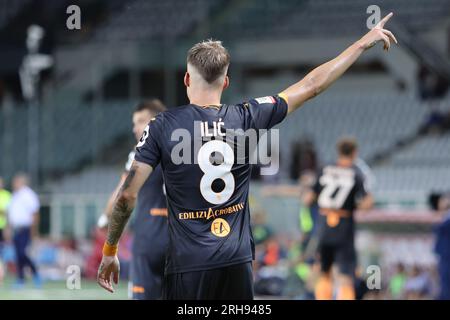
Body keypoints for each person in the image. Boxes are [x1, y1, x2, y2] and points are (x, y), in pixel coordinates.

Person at [97, 13, 396, 299]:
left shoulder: (161, 125)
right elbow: (312, 85)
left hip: (188, 264)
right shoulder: (248, 116)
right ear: (225, 83)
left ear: (187, 79)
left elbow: (126, 197)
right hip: (235, 261)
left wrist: (110, 251)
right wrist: (361, 43)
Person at [99, 100, 168, 299]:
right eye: (134, 123)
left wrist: (105, 219)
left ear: (156, 122)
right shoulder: (183, 150)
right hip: (181, 240)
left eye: (141, 121)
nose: (135, 128)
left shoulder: (141, 152)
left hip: (149, 238)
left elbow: (123, 193)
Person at [303, 138, 374, 300]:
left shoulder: (324, 169)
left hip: (324, 226)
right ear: (355, 152)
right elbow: (368, 202)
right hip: (344, 226)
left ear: (338, 151)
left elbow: (307, 199)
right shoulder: (356, 172)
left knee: (324, 271)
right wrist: (352, 206)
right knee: (345, 275)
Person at [7, 173, 41, 288]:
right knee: (18, 255)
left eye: (16, 182)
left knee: (22, 253)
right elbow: (12, 214)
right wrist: (9, 229)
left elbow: (34, 213)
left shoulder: (28, 195)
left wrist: (34, 231)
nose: (13, 184)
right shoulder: (15, 195)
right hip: (16, 229)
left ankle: (35, 273)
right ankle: (20, 279)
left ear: (21, 182)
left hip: (24, 229)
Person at [0, 177, 12, 283]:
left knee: (2, 252)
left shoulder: (7, 195)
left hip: (2, 227)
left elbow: (9, 213)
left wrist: (8, 228)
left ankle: (2, 274)